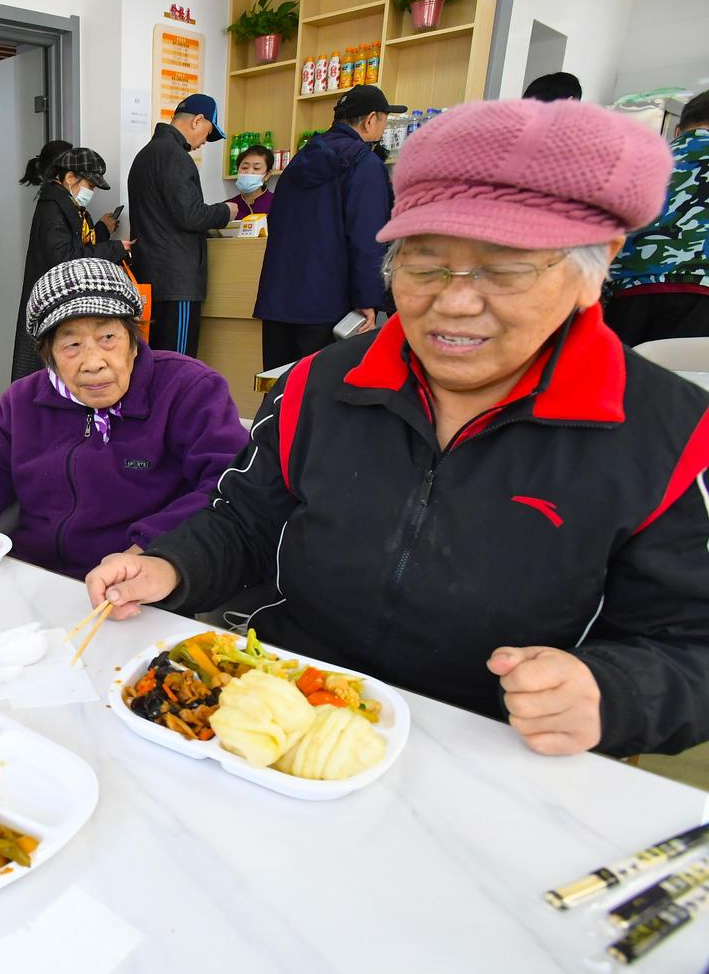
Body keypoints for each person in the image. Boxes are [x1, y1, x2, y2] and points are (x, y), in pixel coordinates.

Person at [87, 98, 709, 759]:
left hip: (493, 747)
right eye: (424, 264)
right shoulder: (319, 386)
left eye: (506, 269)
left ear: (596, 266)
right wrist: (170, 564)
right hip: (290, 715)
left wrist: (612, 693)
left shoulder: (666, 434)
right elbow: (246, 523)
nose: (455, 302)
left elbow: (691, 647)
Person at [0, 258, 247, 579]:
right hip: (34, 581)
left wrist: (152, 548)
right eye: (72, 344)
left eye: (108, 338)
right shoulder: (23, 402)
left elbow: (230, 486)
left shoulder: (188, 389)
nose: (93, 362)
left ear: (133, 338)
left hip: (142, 586)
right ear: (49, 355)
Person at [253, 84, 403, 370]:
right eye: (384, 120)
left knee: (279, 388)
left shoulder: (299, 160)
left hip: (279, 301)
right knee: (319, 390)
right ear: (371, 120)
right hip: (328, 306)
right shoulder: (365, 164)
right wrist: (367, 299)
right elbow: (367, 238)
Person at [128, 93, 239, 357]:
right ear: (197, 120)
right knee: (178, 363)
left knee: (152, 360)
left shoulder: (146, 154)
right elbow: (190, 215)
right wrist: (226, 211)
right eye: (208, 133)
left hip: (151, 277)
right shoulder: (175, 156)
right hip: (176, 281)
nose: (204, 142)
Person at [9, 146, 131, 381]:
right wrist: (114, 249)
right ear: (70, 177)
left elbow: (75, 246)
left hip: (58, 304)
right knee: (42, 378)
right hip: (51, 305)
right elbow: (64, 258)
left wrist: (102, 230)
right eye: (90, 185)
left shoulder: (67, 204)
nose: (91, 191)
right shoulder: (53, 208)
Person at [606, 89, 709, 346]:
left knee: (619, 369)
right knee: (679, 372)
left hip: (625, 294)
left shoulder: (636, 161)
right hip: (703, 298)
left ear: (677, 130)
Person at [231, 144, 275, 218]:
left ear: (267, 175)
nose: (249, 172)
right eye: (244, 167)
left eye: (256, 168)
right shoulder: (227, 207)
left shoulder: (279, 203)